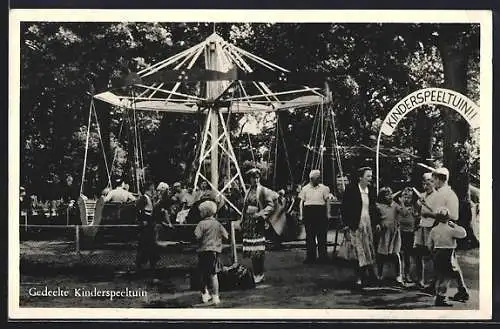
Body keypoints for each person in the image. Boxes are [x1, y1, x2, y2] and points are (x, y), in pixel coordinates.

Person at [424, 168, 469, 302]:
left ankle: (462, 290)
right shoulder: (441, 193)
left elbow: (453, 215)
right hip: (439, 230)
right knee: (444, 263)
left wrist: (432, 215)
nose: (433, 183)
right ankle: (436, 286)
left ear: (439, 179)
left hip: (447, 232)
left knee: (451, 266)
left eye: (434, 180)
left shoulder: (449, 195)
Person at [340, 166, 380, 287]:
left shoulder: (371, 190)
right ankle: (359, 276)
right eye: (368, 176)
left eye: (371, 176)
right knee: (358, 250)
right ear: (360, 177)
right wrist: (346, 224)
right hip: (355, 223)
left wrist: (376, 222)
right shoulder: (351, 189)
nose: (370, 178)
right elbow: (345, 208)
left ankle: (371, 274)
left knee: (368, 248)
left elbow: (374, 208)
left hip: (367, 223)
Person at [240, 168, 277, 284]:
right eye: (253, 178)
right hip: (249, 223)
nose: (255, 180)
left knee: (258, 250)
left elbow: (271, 205)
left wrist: (261, 214)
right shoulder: (248, 191)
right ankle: (257, 273)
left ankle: (259, 273)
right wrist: (242, 219)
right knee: (252, 250)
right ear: (249, 179)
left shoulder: (263, 191)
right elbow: (244, 207)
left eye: (257, 178)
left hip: (258, 222)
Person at [427, 207, 467, 307]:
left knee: (444, 274)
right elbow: (463, 234)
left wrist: (432, 252)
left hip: (437, 253)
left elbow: (429, 244)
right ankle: (441, 298)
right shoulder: (451, 230)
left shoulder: (434, 230)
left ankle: (461, 291)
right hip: (448, 254)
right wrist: (455, 226)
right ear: (448, 218)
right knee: (447, 276)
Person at [194, 200, 229, 305]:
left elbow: (197, 236)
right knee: (214, 274)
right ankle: (215, 296)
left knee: (202, 274)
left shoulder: (201, 224)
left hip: (203, 251)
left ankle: (205, 294)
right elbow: (226, 236)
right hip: (214, 251)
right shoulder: (217, 224)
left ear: (204, 213)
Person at [298, 170, 331, 264]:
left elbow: (327, 202)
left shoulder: (324, 188)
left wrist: (328, 213)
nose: (319, 179)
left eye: (319, 177)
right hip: (309, 212)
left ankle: (323, 257)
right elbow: (301, 203)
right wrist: (301, 215)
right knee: (310, 236)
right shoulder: (304, 189)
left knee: (322, 236)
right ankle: (310, 258)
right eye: (317, 178)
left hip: (320, 212)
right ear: (311, 179)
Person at [414, 172, 440, 289]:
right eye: (424, 182)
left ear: (434, 182)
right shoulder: (422, 195)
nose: (427, 184)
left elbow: (440, 215)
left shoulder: (438, 196)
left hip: (432, 228)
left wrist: (428, 212)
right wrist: (418, 209)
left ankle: (434, 283)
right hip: (421, 227)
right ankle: (419, 281)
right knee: (418, 254)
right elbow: (417, 209)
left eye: (429, 181)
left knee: (433, 255)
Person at [376, 187, 403, 285]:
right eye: (387, 195)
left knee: (395, 254)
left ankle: (398, 275)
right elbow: (375, 217)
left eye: (391, 194)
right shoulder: (378, 206)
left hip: (394, 232)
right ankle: (379, 275)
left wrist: (402, 203)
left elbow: (403, 213)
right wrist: (378, 224)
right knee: (381, 255)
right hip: (384, 232)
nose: (390, 196)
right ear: (382, 196)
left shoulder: (395, 205)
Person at [135, 181, 160, 275]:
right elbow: (138, 210)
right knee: (145, 244)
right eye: (151, 189)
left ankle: (151, 264)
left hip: (150, 223)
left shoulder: (149, 199)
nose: (153, 190)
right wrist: (143, 220)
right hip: (146, 224)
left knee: (150, 245)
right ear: (147, 190)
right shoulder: (143, 198)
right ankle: (141, 264)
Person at [395, 187, 419, 284]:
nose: (406, 199)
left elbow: (416, 216)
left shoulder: (414, 207)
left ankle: (407, 274)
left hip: (410, 232)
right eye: (405, 196)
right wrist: (399, 193)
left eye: (409, 197)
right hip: (400, 232)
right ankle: (399, 274)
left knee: (408, 254)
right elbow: (403, 213)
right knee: (400, 253)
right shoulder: (398, 206)